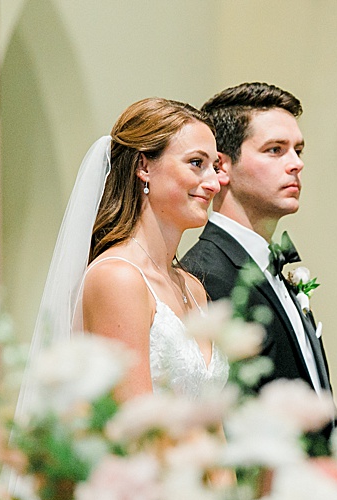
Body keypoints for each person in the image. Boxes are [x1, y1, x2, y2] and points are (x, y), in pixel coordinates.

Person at [19, 97, 228, 413]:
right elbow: (135, 429)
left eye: (215, 166)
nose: (213, 183)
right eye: (197, 163)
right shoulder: (118, 277)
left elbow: (213, 425)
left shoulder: (193, 288)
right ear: (144, 166)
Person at [180, 82, 334, 403]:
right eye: (275, 150)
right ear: (221, 167)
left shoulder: (274, 268)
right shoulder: (202, 277)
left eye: (298, 150)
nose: (296, 163)